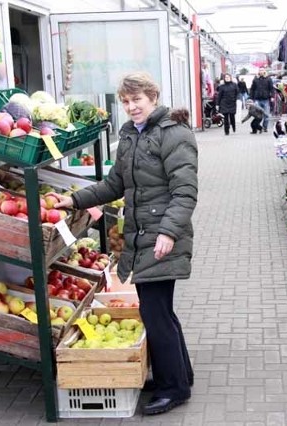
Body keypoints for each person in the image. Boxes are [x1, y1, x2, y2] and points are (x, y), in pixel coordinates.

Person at [50, 73, 197, 416]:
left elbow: (185, 191)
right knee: (160, 311)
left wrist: (168, 233)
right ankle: (179, 376)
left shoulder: (174, 134)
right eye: (126, 101)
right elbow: (116, 183)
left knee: (155, 312)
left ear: (153, 97)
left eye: (137, 100)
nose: (131, 107)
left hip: (159, 236)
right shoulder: (131, 134)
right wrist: (74, 200)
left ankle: (173, 388)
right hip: (142, 234)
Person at [249, 67, 274, 132]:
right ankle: (257, 126)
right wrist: (251, 98)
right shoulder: (255, 79)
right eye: (260, 70)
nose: (261, 71)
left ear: (264, 71)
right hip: (257, 99)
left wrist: (272, 96)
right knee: (257, 115)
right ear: (258, 71)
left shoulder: (268, 79)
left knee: (266, 115)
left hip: (266, 99)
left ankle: (265, 127)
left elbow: (272, 88)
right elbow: (252, 89)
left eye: (262, 70)